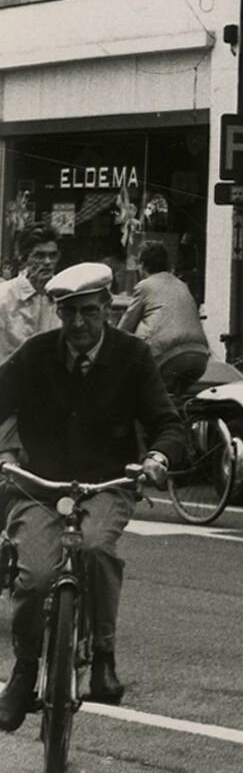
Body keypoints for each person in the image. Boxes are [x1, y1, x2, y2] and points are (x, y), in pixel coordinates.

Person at [0, 261, 181, 729]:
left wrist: (157, 459)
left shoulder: (132, 356)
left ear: (107, 308)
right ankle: (23, 671)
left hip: (106, 485)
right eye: (68, 314)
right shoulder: (36, 354)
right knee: (35, 576)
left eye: (88, 312)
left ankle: (102, 654)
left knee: (98, 549)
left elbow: (167, 422)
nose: (78, 324)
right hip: (41, 487)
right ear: (57, 313)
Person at [119, 242, 211, 394]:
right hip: (199, 355)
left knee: (139, 391)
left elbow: (125, 327)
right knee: (175, 401)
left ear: (142, 264)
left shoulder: (145, 286)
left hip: (167, 355)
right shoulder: (181, 284)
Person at [0, 227, 61, 364]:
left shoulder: (64, 294)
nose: (47, 262)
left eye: (53, 255)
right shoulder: (4, 297)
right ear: (24, 258)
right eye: (39, 256)